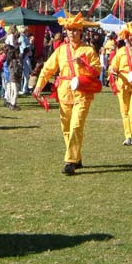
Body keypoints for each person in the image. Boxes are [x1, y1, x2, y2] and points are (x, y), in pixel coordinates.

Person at [32, 13, 101, 176]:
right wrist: (39, 85)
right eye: (69, 30)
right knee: (66, 128)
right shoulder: (61, 50)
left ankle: (70, 161)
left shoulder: (88, 50)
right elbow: (48, 68)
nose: (72, 33)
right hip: (64, 92)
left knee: (76, 125)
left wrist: (83, 65)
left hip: (82, 93)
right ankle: (77, 157)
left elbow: (97, 71)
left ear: (81, 32)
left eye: (75, 30)